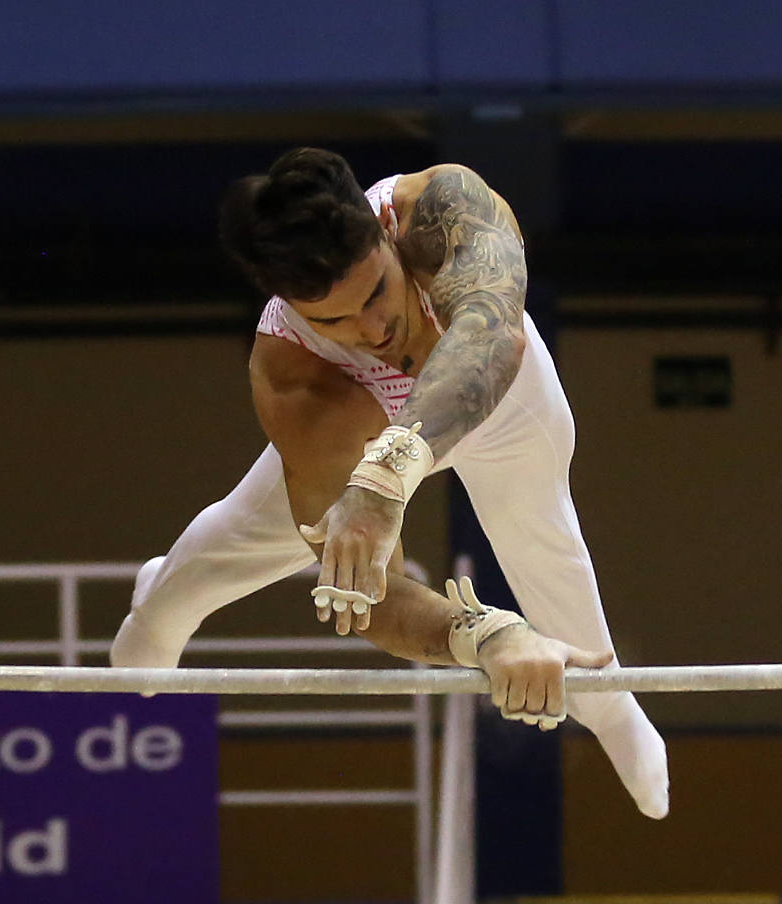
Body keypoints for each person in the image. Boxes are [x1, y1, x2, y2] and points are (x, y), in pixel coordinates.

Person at [112, 148, 668, 819]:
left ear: (386, 234)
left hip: (498, 402)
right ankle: (156, 608)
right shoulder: (296, 375)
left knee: (548, 557)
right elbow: (366, 600)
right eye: (333, 322)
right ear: (293, 313)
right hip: (357, 427)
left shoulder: (441, 209)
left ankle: (614, 718)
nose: (371, 330)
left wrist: (385, 474)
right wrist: (486, 637)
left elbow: (491, 339)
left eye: (375, 291)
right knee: (237, 542)